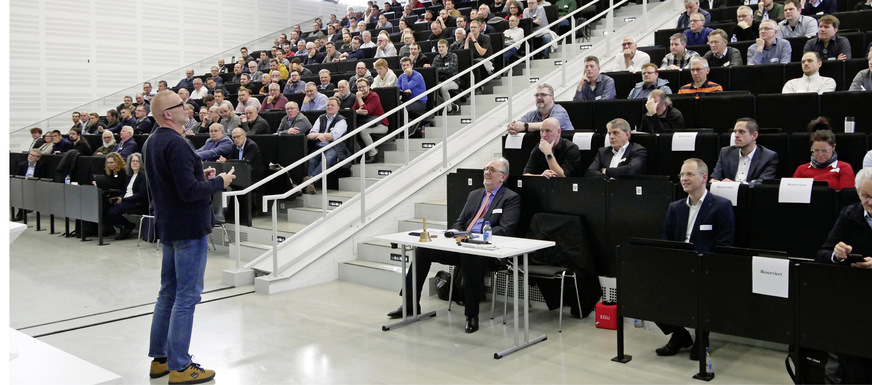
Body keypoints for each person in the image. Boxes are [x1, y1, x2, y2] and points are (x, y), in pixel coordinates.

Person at [144, 90, 233, 383]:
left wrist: (199, 176)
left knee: (167, 292)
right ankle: (180, 367)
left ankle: (161, 359)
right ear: (168, 114)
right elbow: (189, 192)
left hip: (169, 225)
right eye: (181, 105)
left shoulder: (152, 142)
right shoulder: (178, 144)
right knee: (186, 296)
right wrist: (220, 181)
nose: (187, 108)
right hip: (188, 228)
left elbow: (176, 184)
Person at [386, 158, 520, 334]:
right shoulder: (474, 195)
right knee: (423, 250)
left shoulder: (510, 198)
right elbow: (459, 222)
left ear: (503, 177)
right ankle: (410, 304)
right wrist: (458, 234)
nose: (486, 172)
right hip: (462, 244)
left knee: (470, 257)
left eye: (492, 170)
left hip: (487, 251)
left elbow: (505, 229)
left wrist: (476, 237)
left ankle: (471, 315)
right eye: (485, 169)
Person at [656, 158, 734, 361]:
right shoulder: (675, 207)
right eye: (682, 175)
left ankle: (702, 338)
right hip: (679, 265)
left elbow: (724, 245)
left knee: (703, 289)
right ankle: (680, 335)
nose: (684, 179)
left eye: (689, 174)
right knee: (648, 287)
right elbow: (666, 240)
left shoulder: (720, 206)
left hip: (705, 267)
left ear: (704, 177)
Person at [710, 118, 779, 185]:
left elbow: (763, 183)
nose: (736, 135)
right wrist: (714, 181)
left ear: (754, 135)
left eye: (741, 132)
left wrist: (736, 185)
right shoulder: (725, 152)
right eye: (735, 132)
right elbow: (715, 177)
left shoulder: (768, 156)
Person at [305, 98, 349, 194]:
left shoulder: (342, 121)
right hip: (319, 145)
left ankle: (309, 181)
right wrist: (319, 135)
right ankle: (310, 185)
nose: (329, 107)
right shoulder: (321, 118)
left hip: (334, 147)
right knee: (311, 160)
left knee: (327, 159)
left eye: (332, 105)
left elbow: (333, 136)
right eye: (328, 105)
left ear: (338, 107)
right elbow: (311, 133)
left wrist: (320, 135)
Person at [105, 153, 148, 240]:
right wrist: (118, 198)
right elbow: (124, 191)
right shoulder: (129, 175)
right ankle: (125, 226)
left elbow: (140, 194)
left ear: (141, 163)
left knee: (112, 211)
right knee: (105, 206)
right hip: (126, 199)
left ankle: (126, 226)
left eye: (137, 161)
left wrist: (123, 199)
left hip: (136, 202)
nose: (134, 163)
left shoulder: (143, 176)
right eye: (133, 161)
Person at [507, 84, 575, 133]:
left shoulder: (560, 111)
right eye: (537, 95)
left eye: (543, 95)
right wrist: (512, 127)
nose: (539, 97)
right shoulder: (531, 115)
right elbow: (517, 124)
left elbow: (549, 125)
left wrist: (525, 126)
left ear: (552, 98)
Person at [354, 78, 389, 162]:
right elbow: (353, 110)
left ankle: (373, 154)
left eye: (363, 87)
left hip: (381, 125)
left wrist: (359, 98)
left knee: (363, 131)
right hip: (368, 123)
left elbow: (366, 111)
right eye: (359, 88)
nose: (361, 89)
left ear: (368, 87)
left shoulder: (374, 96)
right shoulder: (360, 97)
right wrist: (357, 111)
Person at [397, 57, 428, 126]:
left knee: (402, 109)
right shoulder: (401, 76)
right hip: (408, 101)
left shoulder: (417, 76)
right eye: (403, 65)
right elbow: (397, 88)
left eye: (407, 65)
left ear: (412, 65)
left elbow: (406, 87)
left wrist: (405, 75)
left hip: (420, 102)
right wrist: (403, 90)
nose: (405, 67)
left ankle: (407, 131)